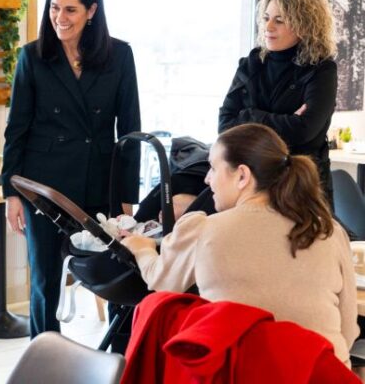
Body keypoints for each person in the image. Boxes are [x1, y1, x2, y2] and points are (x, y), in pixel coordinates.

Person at [120, 123, 358, 364]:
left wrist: (143, 249)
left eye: (213, 168)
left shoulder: (204, 229)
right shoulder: (329, 230)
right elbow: (347, 332)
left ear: (242, 175)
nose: (207, 179)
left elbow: (162, 281)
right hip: (325, 374)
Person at [2, 0, 141, 338]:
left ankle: (120, 355)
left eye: (70, 10)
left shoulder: (120, 55)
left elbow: (130, 130)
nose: (59, 18)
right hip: (43, 188)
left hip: (100, 182)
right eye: (54, 8)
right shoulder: (32, 57)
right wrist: (12, 193)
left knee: (117, 272)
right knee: (45, 280)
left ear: (91, 11)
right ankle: (43, 358)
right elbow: (17, 129)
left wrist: (126, 198)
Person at [218, 0, 337, 203]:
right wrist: (286, 121)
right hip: (251, 182)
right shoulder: (252, 63)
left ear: (304, 25)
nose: (268, 26)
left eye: (279, 20)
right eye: (266, 18)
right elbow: (225, 126)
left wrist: (248, 116)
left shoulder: (321, 69)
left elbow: (304, 131)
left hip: (301, 187)